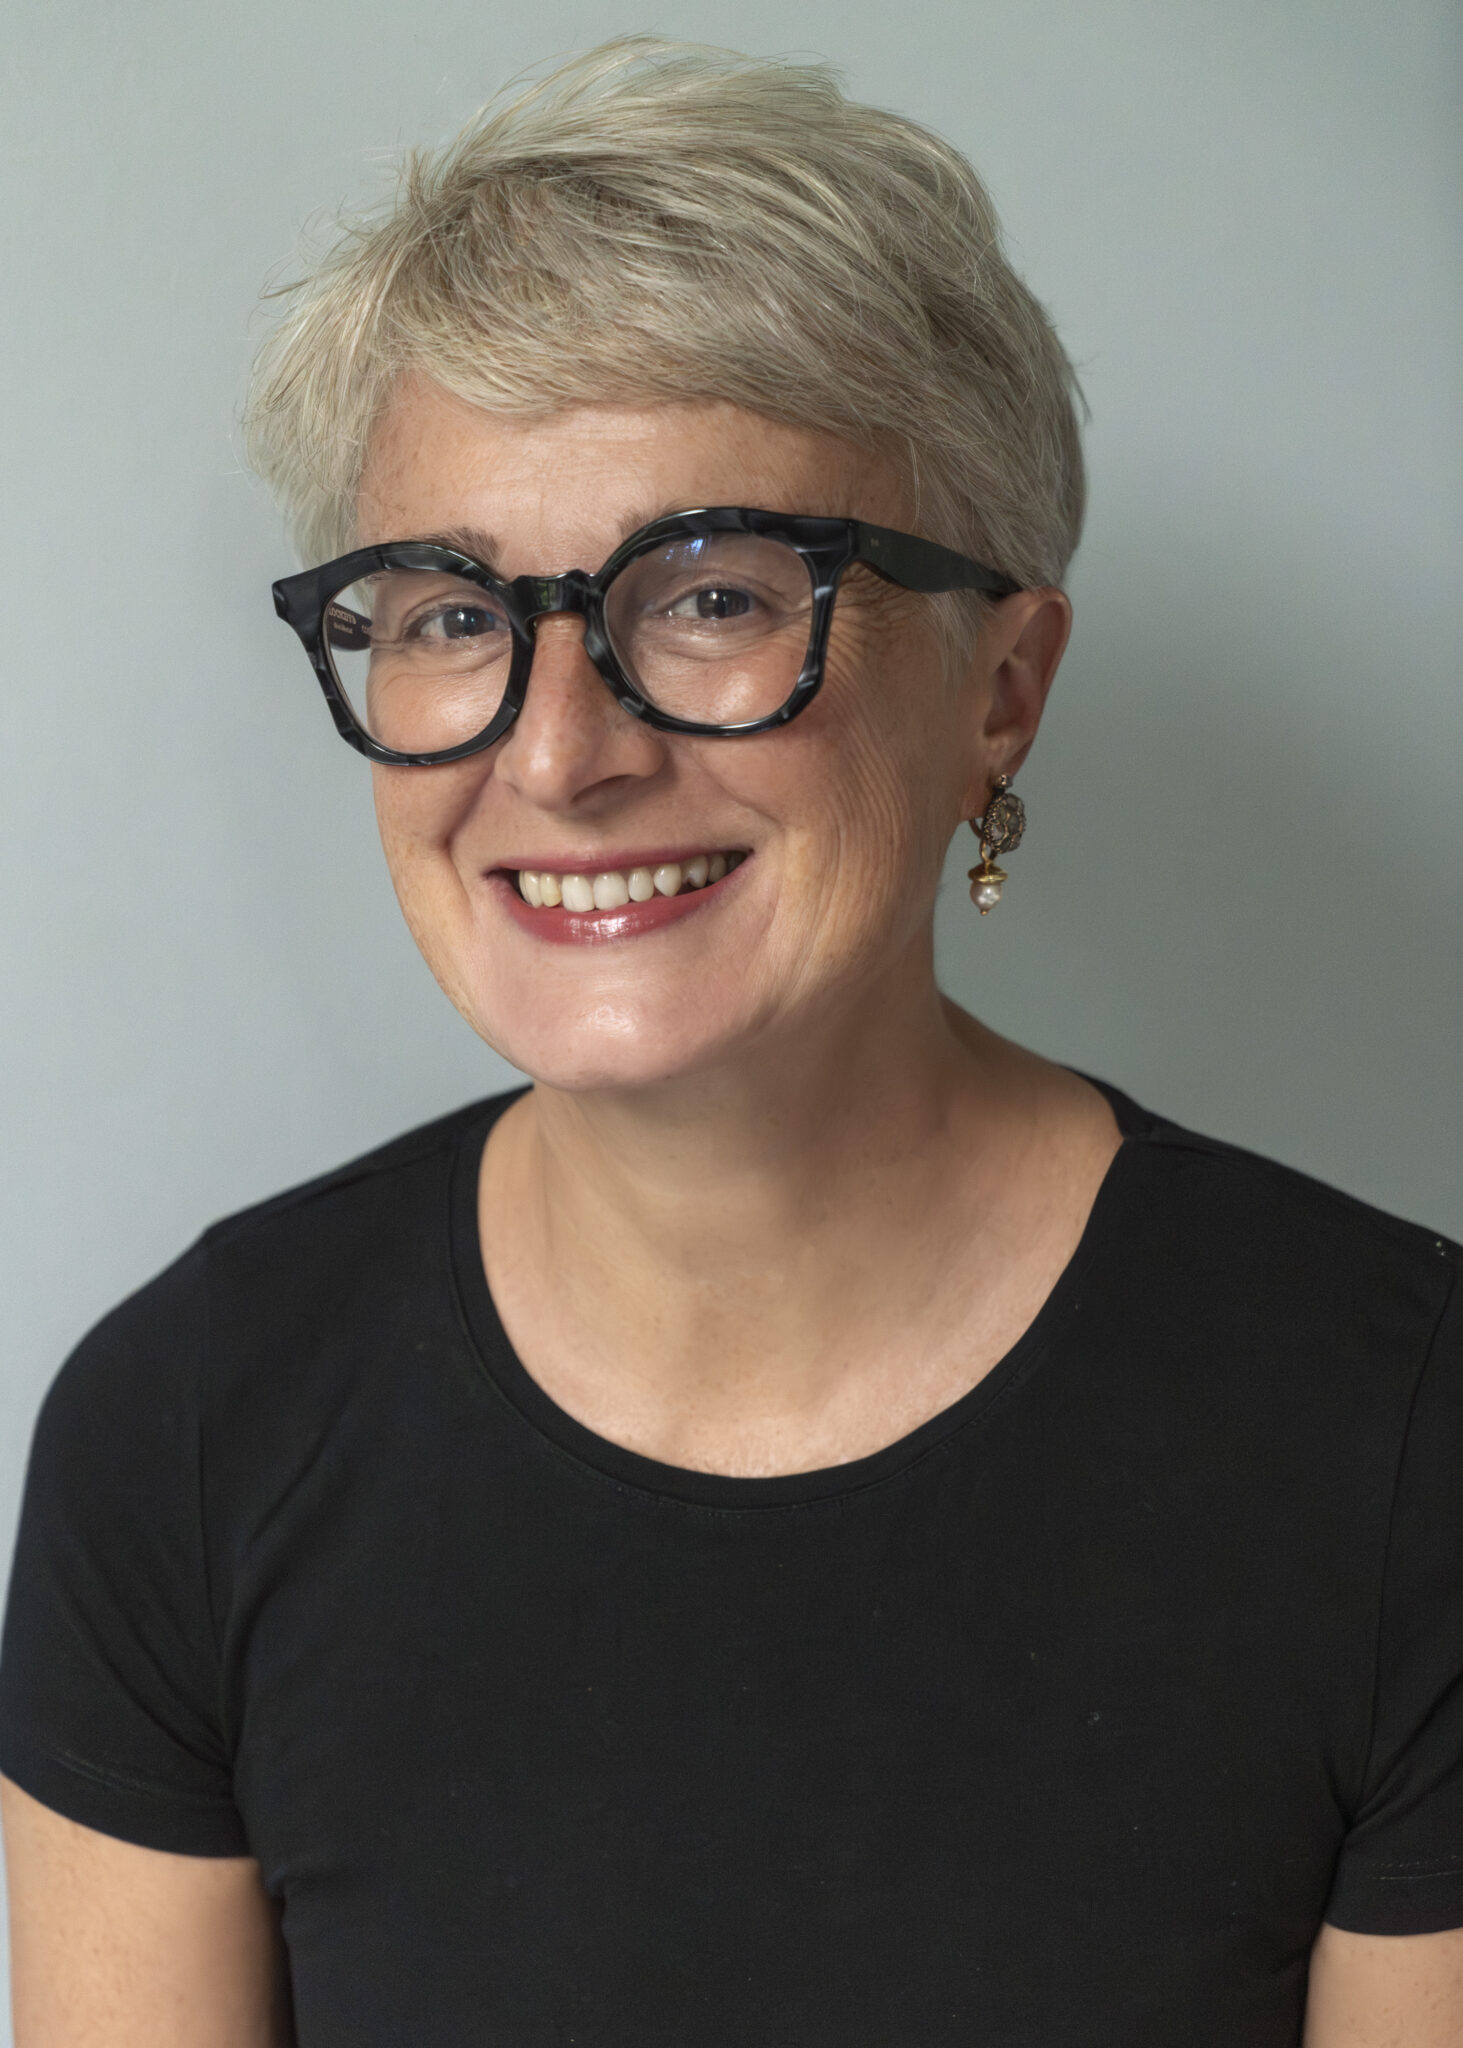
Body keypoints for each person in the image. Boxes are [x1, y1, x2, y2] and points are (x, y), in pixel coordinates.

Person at [1, 35, 1459, 2048]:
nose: (558, 753)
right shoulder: (182, 1433)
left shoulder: (1408, 1449)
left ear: (1000, 693)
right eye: (447, 614)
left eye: (710, 595)